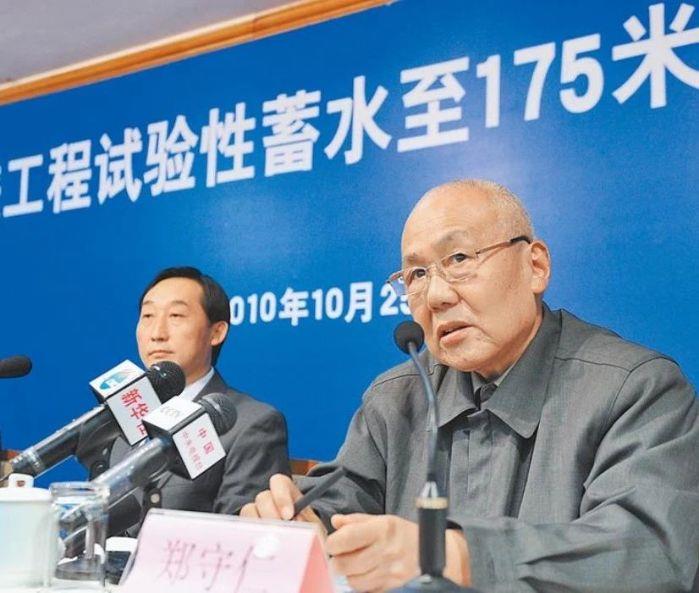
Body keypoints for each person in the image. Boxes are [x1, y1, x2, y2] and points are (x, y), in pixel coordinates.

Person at [241, 180, 699, 593]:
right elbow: (338, 503)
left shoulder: (634, 388)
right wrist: (297, 522)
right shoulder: (396, 397)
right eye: (417, 275)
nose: (437, 296)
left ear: (535, 266)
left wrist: (455, 555)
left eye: (459, 259)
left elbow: (652, 553)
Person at [79, 266, 291, 534]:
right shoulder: (123, 420)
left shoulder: (253, 423)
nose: (157, 333)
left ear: (217, 332)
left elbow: (242, 536)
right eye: (148, 316)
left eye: (176, 316)